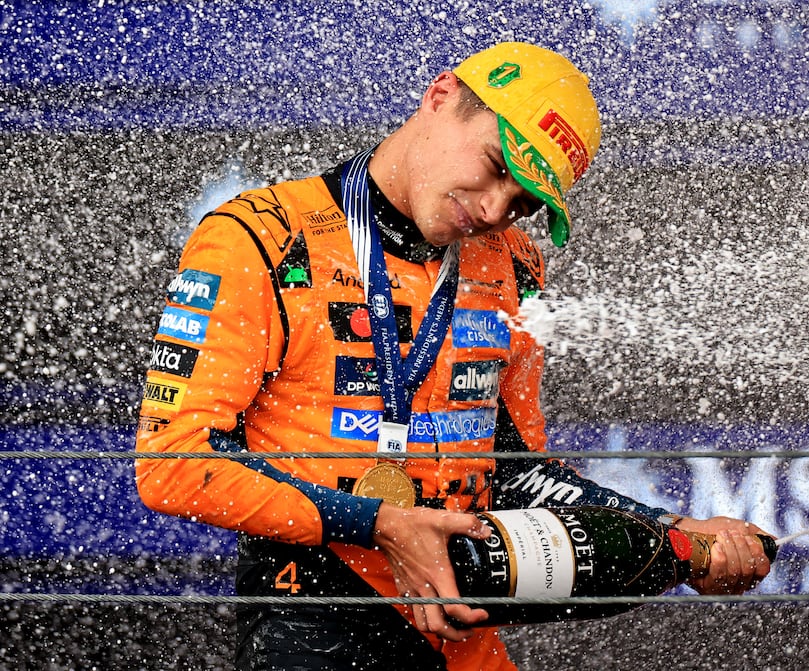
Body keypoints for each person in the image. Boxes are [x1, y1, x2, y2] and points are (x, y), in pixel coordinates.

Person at [135, 41, 773, 671]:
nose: (496, 208)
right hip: (312, 621)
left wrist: (674, 531)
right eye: (497, 166)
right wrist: (379, 523)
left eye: (524, 202)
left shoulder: (514, 263)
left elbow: (516, 471)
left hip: (462, 630)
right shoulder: (262, 237)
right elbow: (170, 464)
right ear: (440, 97)